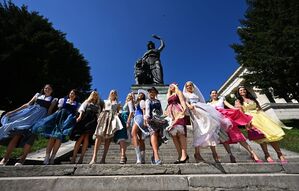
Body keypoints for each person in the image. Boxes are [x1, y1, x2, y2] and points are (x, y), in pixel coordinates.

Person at [0, 84, 57, 166]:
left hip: (38, 119)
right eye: (46, 88)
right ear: (43, 89)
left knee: (31, 137)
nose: (47, 89)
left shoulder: (53, 99)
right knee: (17, 134)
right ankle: (5, 158)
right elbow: (27, 104)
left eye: (49, 89)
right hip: (28, 115)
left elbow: (49, 111)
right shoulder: (38, 95)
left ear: (52, 90)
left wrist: (45, 123)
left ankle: (22, 160)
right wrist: (13, 112)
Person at [235, 86, 288, 163]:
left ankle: (280, 154)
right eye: (240, 90)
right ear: (238, 92)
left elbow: (259, 108)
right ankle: (267, 155)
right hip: (251, 119)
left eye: (244, 90)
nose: (242, 91)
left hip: (261, 117)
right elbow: (241, 112)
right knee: (261, 137)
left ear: (246, 91)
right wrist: (246, 122)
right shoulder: (238, 101)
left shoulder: (252, 99)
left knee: (271, 135)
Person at [183, 81, 231, 163]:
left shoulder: (196, 94)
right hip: (194, 112)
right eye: (187, 86)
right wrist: (189, 106)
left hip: (201, 110)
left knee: (210, 127)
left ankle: (214, 153)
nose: (189, 87)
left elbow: (201, 102)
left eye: (190, 85)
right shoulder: (185, 95)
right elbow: (185, 102)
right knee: (198, 130)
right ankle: (197, 153)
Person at [208, 90, 261, 163]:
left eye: (215, 93)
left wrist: (237, 109)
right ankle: (231, 155)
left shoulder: (221, 99)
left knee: (239, 137)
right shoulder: (208, 104)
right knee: (225, 139)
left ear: (217, 94)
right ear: (210, 95)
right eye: (212, 93)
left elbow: (230, 106)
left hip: (226, 119)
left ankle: (253, 154)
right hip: (217, 122)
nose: (214, 94)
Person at [32, 89, 80, 165]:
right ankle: (47, 156)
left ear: (76, 95)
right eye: (71, 93)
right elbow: (59, 109)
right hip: (59, 118)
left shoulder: (77, 104)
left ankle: (53, 157)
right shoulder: (63, 100)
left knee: (59, 139)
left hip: (66, 121)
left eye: (73, 94)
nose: (72, 95)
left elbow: (76, 113)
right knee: (52, 137)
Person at [89, 90, 123, 164]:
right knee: (98, 136)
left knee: (108, 139)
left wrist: (119, 113)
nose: (113, 93)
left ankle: (103, 158)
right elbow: (98, 108)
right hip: (104, 117)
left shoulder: (118, 103)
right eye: (112, 92)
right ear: (109, 93)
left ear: (116, 95)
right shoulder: (104, 101)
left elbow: (120, 111)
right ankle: (94, 158)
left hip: (112, 119)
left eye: (114, 93)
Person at [69, 91, 103, 164]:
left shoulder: (98, 105)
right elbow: (82, 109)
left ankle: (81, 158)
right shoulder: (87, 102)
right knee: (80, 137)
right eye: (93, 94)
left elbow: (98, 114)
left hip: (92, 121)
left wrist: (98, 122)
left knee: (87, 137)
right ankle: (74, 157)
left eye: (96, 95)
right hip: (85, 119)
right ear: (91, 95)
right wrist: (80, 116)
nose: (94, 96)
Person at [165, 83, 189, 163]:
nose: (171, 87)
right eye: (170, 86)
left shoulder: (178, 92)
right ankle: (180, 155)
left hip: (177, 111)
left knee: (180, 133)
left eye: (172, 86)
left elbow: (182, 101)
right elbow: (167, 103)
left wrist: (184, 109)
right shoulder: (169, 95)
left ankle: (184, 155)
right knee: (174, 135)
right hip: (170, 113)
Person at [145, 86, 169, 165]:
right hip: (151, 119)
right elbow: (147, 110)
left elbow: (161, 111)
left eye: (153, 92)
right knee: (154, 134)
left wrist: (163, 118)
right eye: (150, 92)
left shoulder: (158, 101)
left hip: (158, 120)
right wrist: (147, 118)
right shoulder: (148, 101)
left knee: (158, 138)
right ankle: (156, 157)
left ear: (156, 93)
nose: (151, 93)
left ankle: (153, 156)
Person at [113, 92, 135, 164]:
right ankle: (123, 156)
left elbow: (131, 112)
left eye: (131, 95)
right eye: (128, 95)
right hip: (121, 120)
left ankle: (123, 156)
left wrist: (128, 121)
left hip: (125, 120)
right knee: (121, 139)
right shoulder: (126, 103)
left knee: (122, 138)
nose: (129, 96)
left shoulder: (130, 102)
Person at [131, 89, 147, 164]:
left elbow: (144, 111)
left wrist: (144, 120)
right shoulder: (137, 102)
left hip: (140, 117)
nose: (140, 95)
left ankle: (139, 157)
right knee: (140, 139)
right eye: (139, 94)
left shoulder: (142, 101)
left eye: (141, 95)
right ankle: (142, 158)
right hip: (136, 118)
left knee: (133, 133)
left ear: (143, 97)